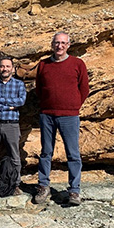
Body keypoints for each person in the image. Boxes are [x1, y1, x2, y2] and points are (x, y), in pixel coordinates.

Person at [33, 31, 89, 206]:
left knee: (73, 154)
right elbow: (39, 89)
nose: (60, 46)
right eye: (57, 43)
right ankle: (43, 186)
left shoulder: (77, 64)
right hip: (47, 114)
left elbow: (84, 89)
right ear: (52, 44)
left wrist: (73, 106)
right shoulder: (43, 64)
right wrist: (46, 105)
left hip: (69, 115)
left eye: (63, 43)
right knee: (46, 152)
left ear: (68, 45)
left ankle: (74, 191)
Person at [0, 56, 27, 194]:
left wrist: (0, 100)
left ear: (13, 69)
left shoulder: (19, 85)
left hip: (11, 124)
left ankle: (15, 184)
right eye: (2, 66)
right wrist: (8, 107)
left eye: (8, 66)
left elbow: (21, 101)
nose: (5, 69)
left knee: (14, 155)